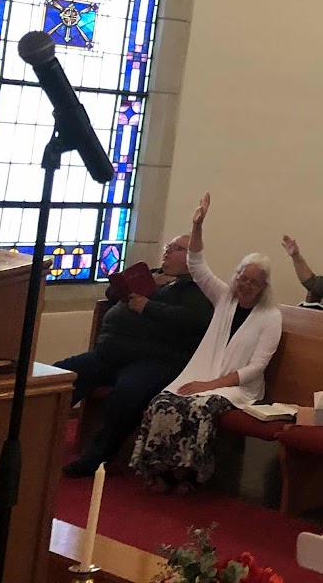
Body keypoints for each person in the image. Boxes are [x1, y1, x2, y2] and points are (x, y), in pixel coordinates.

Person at [132, 194, 282, 493]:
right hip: (203, 375)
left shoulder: (270, 316)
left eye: (252, 282)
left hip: (236, 388)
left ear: (264, 286)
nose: (245, 285)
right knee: (163, 401)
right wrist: (197, 226)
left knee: (200, 408)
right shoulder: (225, 298)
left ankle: (186, 475)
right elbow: (196, 264)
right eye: (242, 278)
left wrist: (212, 384)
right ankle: (159, 467)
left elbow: (257, 367)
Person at [57, 234, 213, 477]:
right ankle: (38, 438)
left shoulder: (198, 288)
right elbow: (111, 292)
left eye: (176, 248)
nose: (167, 251)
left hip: (153, 361)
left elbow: (194, 321)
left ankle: (94, 460)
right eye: (168, 246)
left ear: (192, 257)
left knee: (126, 394)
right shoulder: (149, 275)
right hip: (109, 355)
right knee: (59, 376)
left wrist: (149, 306)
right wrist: (134, 286)